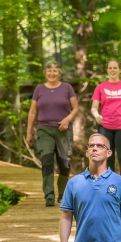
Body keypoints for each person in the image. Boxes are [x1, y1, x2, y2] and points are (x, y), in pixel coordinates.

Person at [26, 62, 80, 206]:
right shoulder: (39, 89)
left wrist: (67, 119)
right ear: (45, 72)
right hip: (44, 130)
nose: (52, 74)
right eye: (49, 71)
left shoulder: (67, 88)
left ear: (59, 73)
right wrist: (29, 132)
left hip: (63, 131)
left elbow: (75, 108)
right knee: (47, 161)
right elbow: (32, 112)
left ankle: (62, 195)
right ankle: (49, 196)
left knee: (64, 164)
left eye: (55, 71)